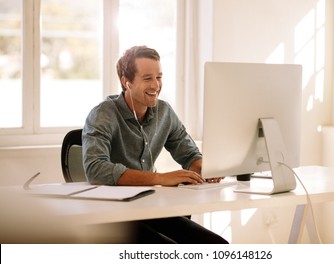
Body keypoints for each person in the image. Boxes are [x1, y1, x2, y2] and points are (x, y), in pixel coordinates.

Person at [82, 45, 228, 244]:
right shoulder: (103, 114)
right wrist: (160, 178)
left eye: (159, 77)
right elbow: (96, 169)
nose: (156, 85)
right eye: (147, 78)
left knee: (217, 246)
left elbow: (189, 154)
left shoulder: (164, 112)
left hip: (149, 206)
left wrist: (207, 168)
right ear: (127, 82)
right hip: (112, 215)